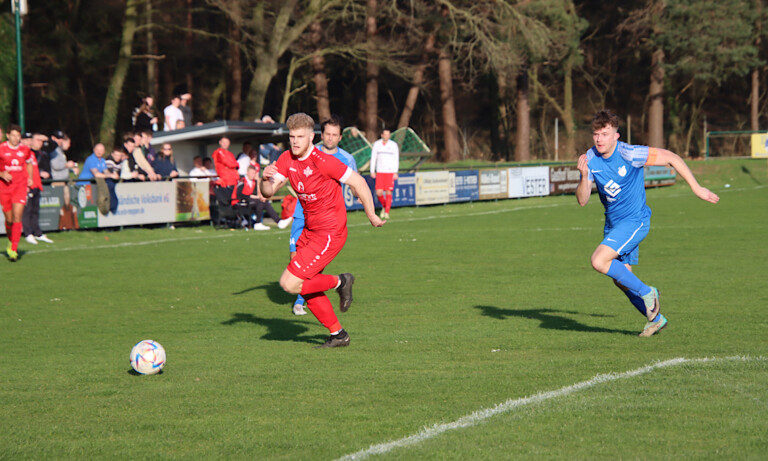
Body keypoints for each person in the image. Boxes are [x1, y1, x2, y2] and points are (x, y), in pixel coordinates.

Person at [576, 109, 720, 337]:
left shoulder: (630, 154)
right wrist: (584, 176)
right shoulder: (590, 158)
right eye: (596, 134)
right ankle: (656, 318)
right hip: (613, 225)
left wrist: (697, 188)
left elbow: (672, 157)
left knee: (598, 260)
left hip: (635, 221)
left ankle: (648, 292)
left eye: (605, 134)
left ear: (616, 135)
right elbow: (583, 200)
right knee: (622, 280)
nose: (599, 139)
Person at [261, 113, 385, 348]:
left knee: (289, 284)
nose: (295, 141)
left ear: (311, 137)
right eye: (291, 136)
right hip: (309, 230)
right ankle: (338, 335)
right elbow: (267, 192)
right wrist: (264, 178)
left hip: (330, 232)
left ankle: (341, 281)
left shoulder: (324, 161)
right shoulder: (287, 159)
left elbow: (358, 182)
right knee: (306, 285)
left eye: (300, 137)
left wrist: (371, 215)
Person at [283, 115, 359, 316]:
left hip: (325, 221)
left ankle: (301, 300)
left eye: (335, 135)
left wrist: (359, 196)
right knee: (295, 259)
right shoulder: (307, 151)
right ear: (321, 135)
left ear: (340, 137)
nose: (330, 138)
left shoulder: (346, 159)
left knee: (309, 266)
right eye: (327, 134)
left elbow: (355, 183)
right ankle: (315, 293)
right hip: (302, 215)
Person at [0, 125, 35, 261]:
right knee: (9, 220)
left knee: (17, 216)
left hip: (19, 187)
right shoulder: (1, 149)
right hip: (4, 187)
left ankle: (14, 249)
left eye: (18, 136)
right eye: (13, 135)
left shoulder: (25, 150)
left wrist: (30, 177)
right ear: (8, 136)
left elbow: (29, 163)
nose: (15, 138)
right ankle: (11, 240)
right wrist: (2, 173)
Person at [23, 133, 53, 244]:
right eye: (26, 139)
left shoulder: (32, 154)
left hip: (36, 185)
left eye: (30, 139)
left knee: (35, 211)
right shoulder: (22, 153)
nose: (28, 142)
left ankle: (37, 233)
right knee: (28, 210)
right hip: (27, 186)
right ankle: (28, 233)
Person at [369, 126, 400, 219]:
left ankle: (386, 212)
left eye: (388, 134)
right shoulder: (377, 144)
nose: (387, 136)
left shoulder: (393, 145)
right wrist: (372, 170)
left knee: (388, 192)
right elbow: (373, 157)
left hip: (390, 172)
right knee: (379, 192)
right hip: (380, 172)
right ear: (382, 135)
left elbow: (396, 159)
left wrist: (395, 172)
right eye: (385, 134)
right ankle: (384, 206)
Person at [212, 135, 239, 214]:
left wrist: (232, 165)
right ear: (220, 143)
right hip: (226, 182)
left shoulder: (230, 154)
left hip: (234, 180)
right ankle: (227, 218)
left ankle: (234, 218)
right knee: (226, 202)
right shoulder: (218, 152)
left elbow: (236, 164)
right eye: (223, 142)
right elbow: (230, 163)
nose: (225, 144)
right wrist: (232, 165)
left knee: (234, 200)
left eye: (226, 142)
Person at [103, 148, 123, 214]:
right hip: (107, 180)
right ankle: (111, 208)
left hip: (114, 180)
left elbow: (119, 173)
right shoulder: (109, 160)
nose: (117, 157)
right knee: (110, 187)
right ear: (112, 154)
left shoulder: (120, 162)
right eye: (116, 155)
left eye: (119, 155)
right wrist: (114, 175)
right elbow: (109, 172)